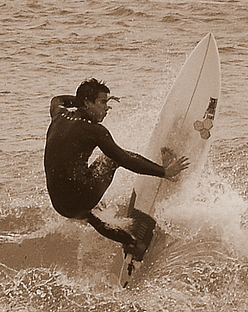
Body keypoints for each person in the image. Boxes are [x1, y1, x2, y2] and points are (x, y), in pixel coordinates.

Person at [44, 77, 189, 259]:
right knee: (109, 159)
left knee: (89, 209)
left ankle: (132, 242)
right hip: (80, 198)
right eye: (103, 102)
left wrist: (80, 100)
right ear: (87, 103)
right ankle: (133, 241)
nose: (107, 108)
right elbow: (124, 158)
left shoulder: (58, 116)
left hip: (60, 204)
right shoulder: (95, 130)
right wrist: (163, 172)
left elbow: (57, 100)